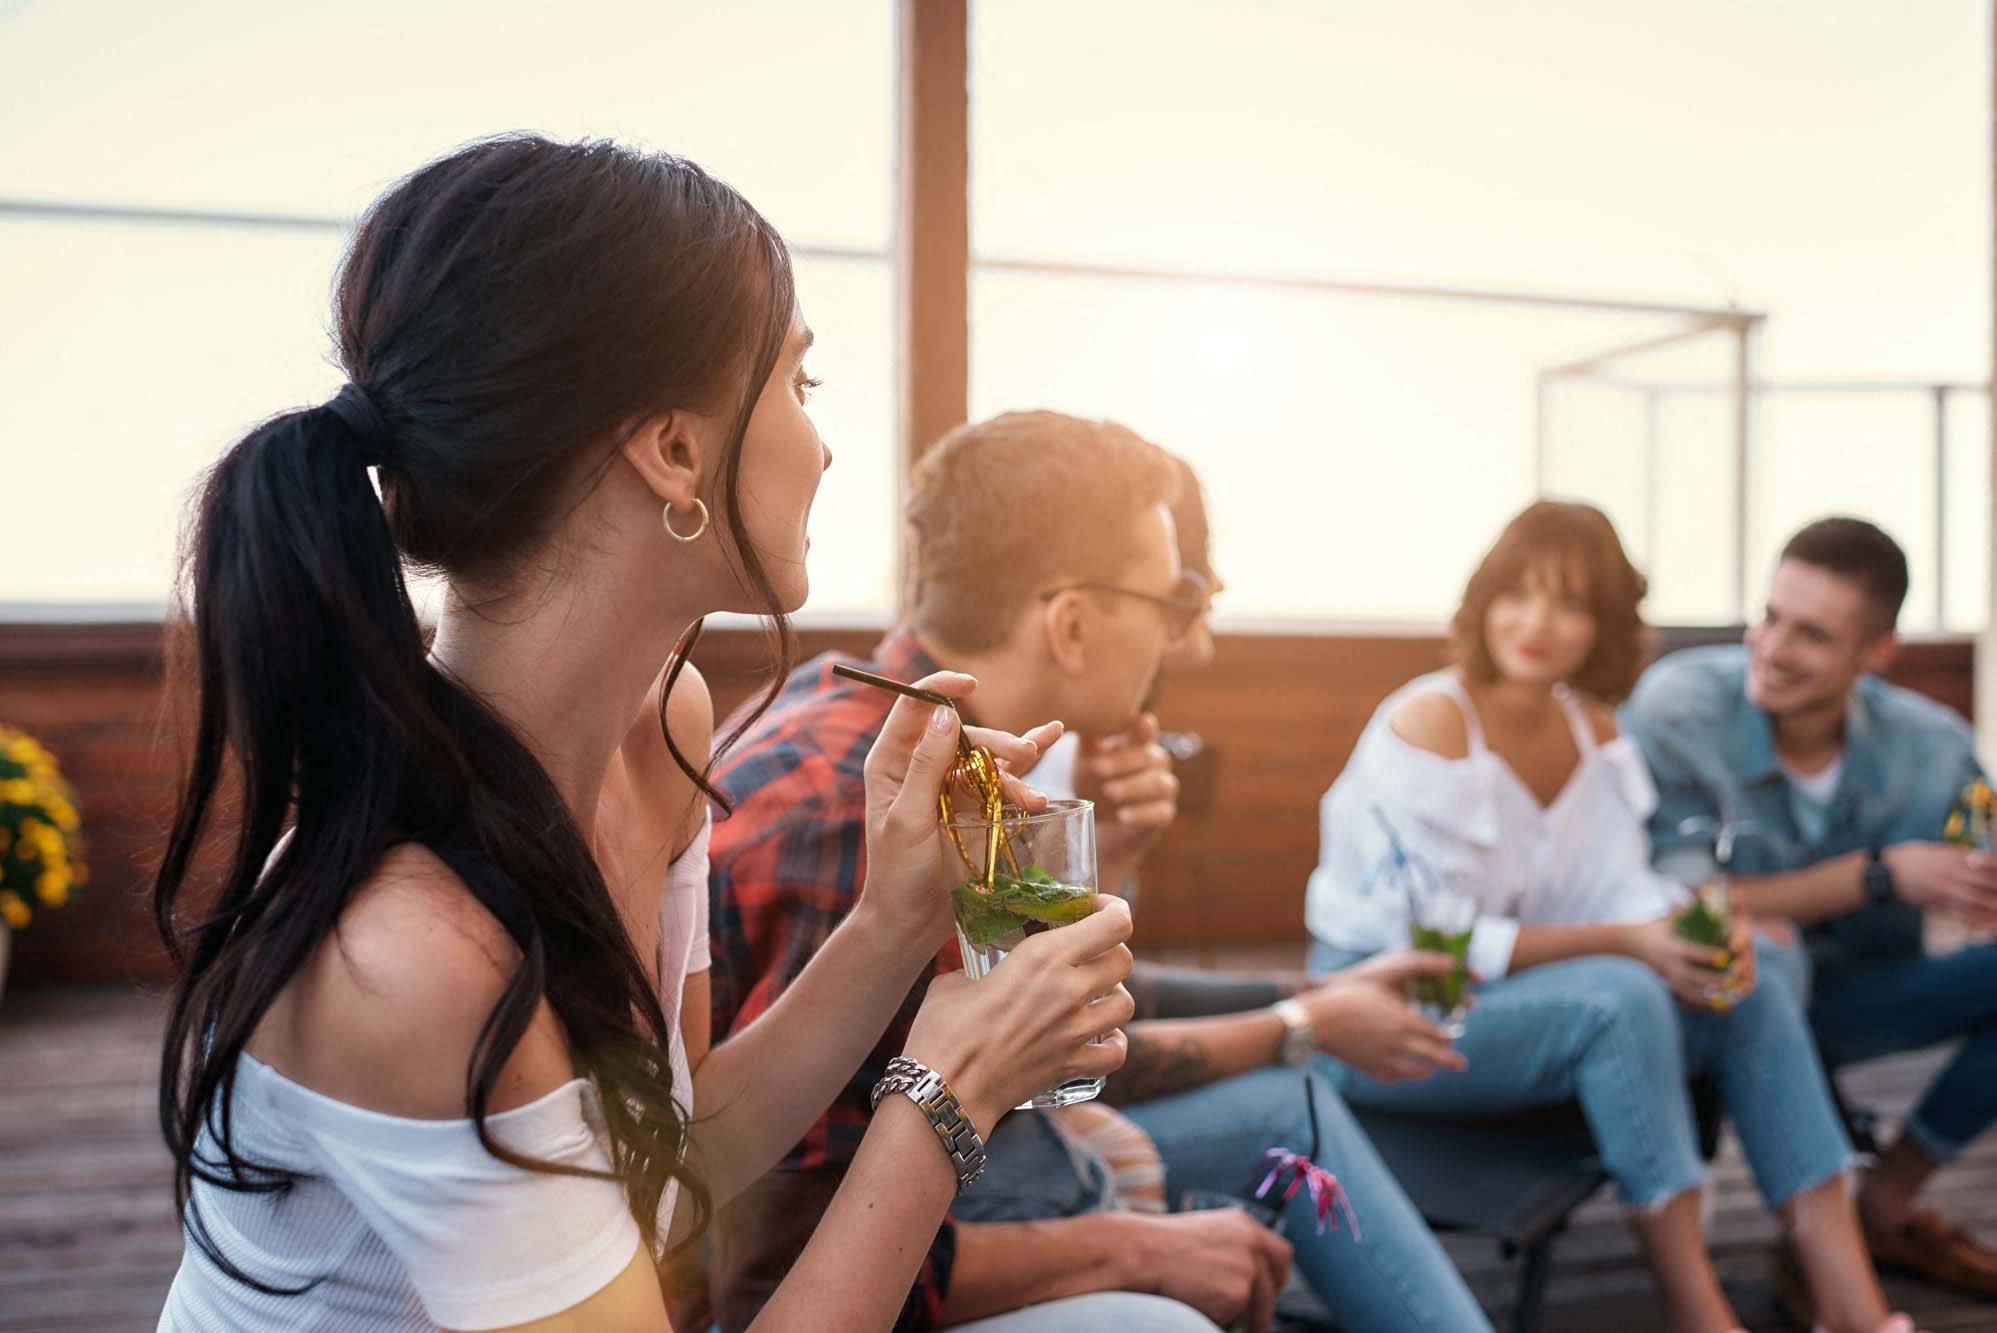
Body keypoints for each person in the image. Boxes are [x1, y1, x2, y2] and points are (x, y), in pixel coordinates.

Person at [150, 135, 1146, 1333]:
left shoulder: (655, 728)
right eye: (796, 385)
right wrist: (950, 1091)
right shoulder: (413, 961)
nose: (821, 446)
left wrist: (895, 920)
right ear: (673, 450)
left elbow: (676, 1159)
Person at [707, 411, 1494, 1333]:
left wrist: (1306, 990)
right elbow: (773, 1266)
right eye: (1167, 606)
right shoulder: (863, 814)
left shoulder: (884, 729)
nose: (1180, 642)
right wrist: (1134, 1247)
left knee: (1290, 1100)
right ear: (1072, 626)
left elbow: (1050, 1011)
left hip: (981, 1168)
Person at [1304, 500, 1913, 1333]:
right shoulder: (1433, 720)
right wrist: (1632, 943)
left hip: (1524, 1009)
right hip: (1387, 1016)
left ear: (1603, 625)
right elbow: (1438, 945)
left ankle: (1855, 1310)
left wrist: (1703, 933)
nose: (1535, 623)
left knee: (1758, 971)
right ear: (1483, 599)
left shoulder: (1592, 733)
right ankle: (1700, 1314)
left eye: (1570, 602)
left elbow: (1623, 893)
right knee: (1617, 996)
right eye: (1516, 593)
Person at [1623, 516, 1997, 1302]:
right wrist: (1878, 874)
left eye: (1813, 635)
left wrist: (1978, 888)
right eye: (1769, 616)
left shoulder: (1932, 747)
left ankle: (1886, 1203)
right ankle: (1824, 1260)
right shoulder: (1678, 706)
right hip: (1723, 994)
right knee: (1767, 945)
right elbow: (1683, 904)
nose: (1772, 647)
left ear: (1875, 654)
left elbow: (1982, 846)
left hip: (1857, 999)